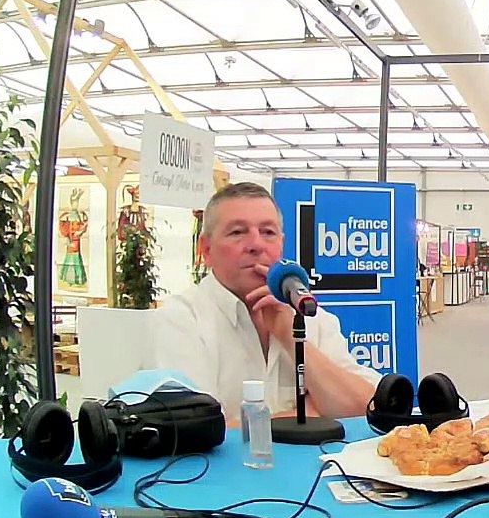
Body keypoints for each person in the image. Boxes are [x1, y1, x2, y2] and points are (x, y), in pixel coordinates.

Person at [149, 182, 381, 425]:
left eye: (268, 232)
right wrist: (312, 412)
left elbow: (365, 406)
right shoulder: (182, 319)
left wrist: (288, 334)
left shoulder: (310, 315)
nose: (256, 245)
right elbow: (198, 428)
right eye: (237, 232)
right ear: (206, 250)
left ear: (281, 244)